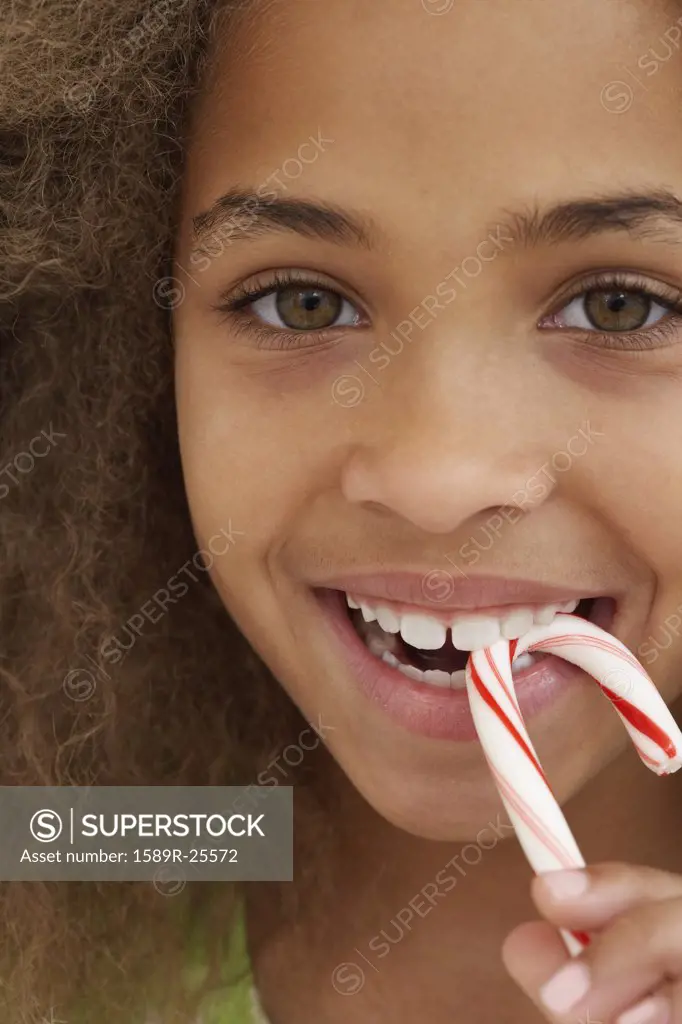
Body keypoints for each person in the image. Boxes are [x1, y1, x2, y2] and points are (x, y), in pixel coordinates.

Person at [3, 0, 682, 1020]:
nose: (436, 478)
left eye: (619, 304)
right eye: (302, 302)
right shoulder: (130, 852)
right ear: (129, 361)